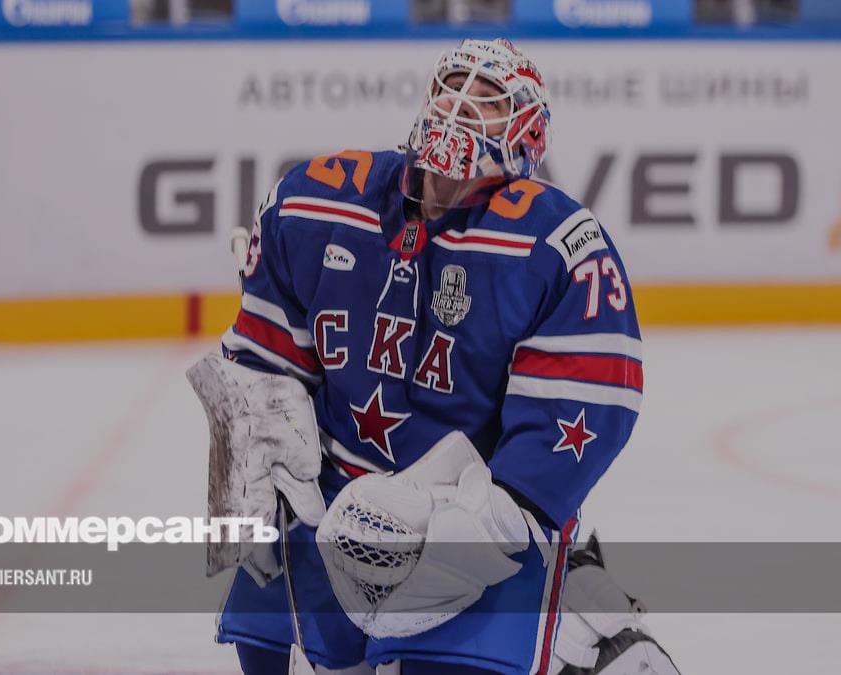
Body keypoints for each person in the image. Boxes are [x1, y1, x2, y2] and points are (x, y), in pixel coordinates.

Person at [188, 39, 678, 675]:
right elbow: (261, 360)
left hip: (458, 511)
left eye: (488, 101)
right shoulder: (316, 201)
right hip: (331, 491)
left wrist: (488, 527)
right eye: (451, 89)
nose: (461, 107)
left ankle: (580, 613)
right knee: (266, 620)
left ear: (526, 135)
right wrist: (256, 460)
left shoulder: (557, 243)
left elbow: (584, 401)